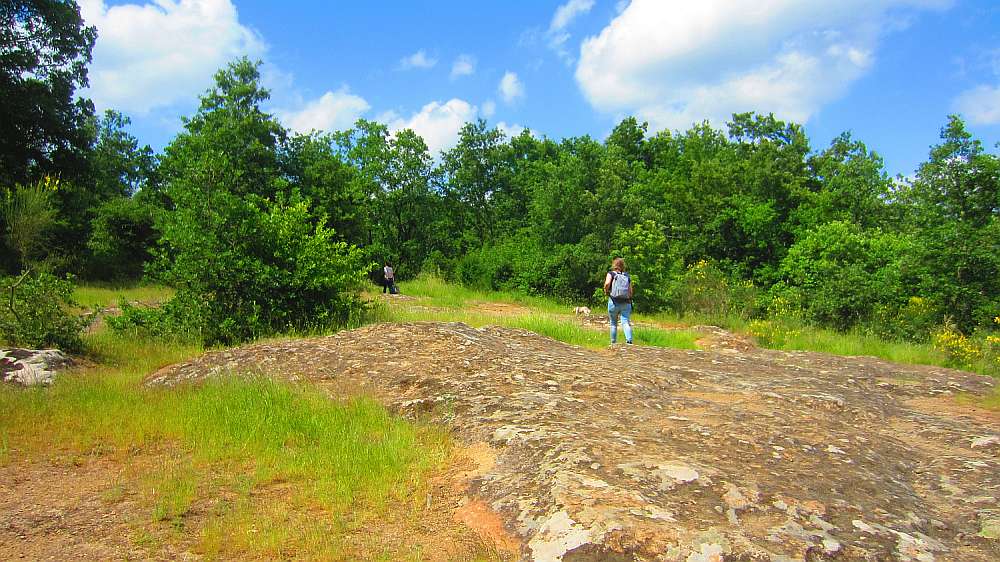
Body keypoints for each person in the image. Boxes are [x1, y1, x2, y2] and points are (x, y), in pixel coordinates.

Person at [603, 257, 633, 345]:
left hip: (613, 301)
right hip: (626, 302)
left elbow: (607, 283)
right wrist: (628, 298)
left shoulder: (611, 273)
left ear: (614, 265)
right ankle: (629, 340)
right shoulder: (627, 276)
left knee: (613, 323)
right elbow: (630, 291)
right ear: (623, 266)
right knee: (625, 322)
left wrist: (606, 290)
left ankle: (613, 343)